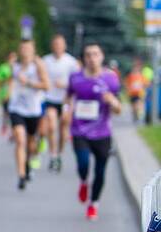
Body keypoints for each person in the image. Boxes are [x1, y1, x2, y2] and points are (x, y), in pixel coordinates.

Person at [65, 42, 121, 221]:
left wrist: (112, 101)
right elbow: (68, 98)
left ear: (102, 56)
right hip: (79, 129)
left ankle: (93, 203)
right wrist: (66, 111)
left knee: (100, 171)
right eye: (88, 55)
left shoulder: (110, 79)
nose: (92, 58)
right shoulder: (75, 78)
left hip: (103, 132)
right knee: (83, 164)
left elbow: (119, 109)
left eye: (95, 54)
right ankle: (83, 182)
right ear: (84, 58)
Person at [7, 39, 50, 190]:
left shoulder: (38, 66)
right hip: (17, 108)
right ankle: (21, 175)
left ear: (33, 50)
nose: (25, 50)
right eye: (22, 48)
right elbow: (10, 83)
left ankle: (28, 162)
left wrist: (29, 83)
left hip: (33, 109)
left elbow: (46, 86)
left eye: (28, 48)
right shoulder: (15, 66)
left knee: (31, 142)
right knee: (20, 140)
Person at [41, 34, 80, 172]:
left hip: (65, 99)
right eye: (55, 44)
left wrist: (64, 85)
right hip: (50, 98)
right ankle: (52, 155)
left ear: (64, 46)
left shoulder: (71, 62)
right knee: (51, 126)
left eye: (60, 44)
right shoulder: (45, 60)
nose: (58, 47)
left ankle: (60, 154)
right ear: (52, 46)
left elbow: (76, 82)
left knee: (64, 129)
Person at [0, 51, 15, 138]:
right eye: (11, 58)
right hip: (5, 94)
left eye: (14, 59)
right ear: (8, 59)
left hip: (15, 96)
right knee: (7, 113)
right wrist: (5, 80)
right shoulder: (3, 68)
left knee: (14, 114)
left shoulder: (17, 68)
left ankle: (13, 132)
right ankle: (5, 127)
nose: (13, 61)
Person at [126, 58, 147, 124]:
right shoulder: (130, 76)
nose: (136, 69)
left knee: (138, 105)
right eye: (135, 68)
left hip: (139, 93)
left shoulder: (141, 76)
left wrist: (143, 87)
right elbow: (127, 84)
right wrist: (128, 89)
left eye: (137, 68)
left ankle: (138, 115)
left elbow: (145, 83)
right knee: (133, 107)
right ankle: (135, 115)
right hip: (132, 93)